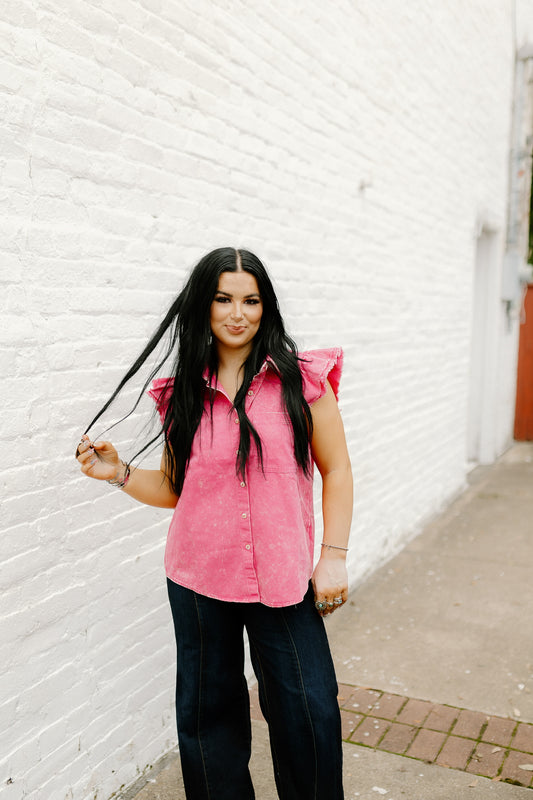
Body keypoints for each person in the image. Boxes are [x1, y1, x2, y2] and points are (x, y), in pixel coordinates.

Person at [76, 247, 353, 800]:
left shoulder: (303, 381)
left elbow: (337, 468)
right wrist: (120, 473)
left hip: (284, 579)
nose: (237, 312)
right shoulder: (180, 395)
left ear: (265, 306)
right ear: (204, 304)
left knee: (309, 713)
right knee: (209, 722)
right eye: (224, 298)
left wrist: (334, 555)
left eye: (250, 300)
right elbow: (176, 490)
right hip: (200, 579)